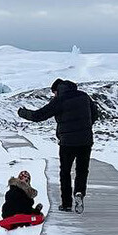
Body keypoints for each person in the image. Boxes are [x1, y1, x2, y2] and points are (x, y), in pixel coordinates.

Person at [17, 78, 100, 213]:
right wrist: (85, 126)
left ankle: (66, 204)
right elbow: (95, 114)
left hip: (67, 142)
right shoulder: (84, 96)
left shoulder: (60, 100)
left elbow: (39, 115)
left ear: (57, 90)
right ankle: (79, 192)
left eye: (54, 93)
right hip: (85, 140)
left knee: (65, 172)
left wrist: (22, 113)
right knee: (82, 170)